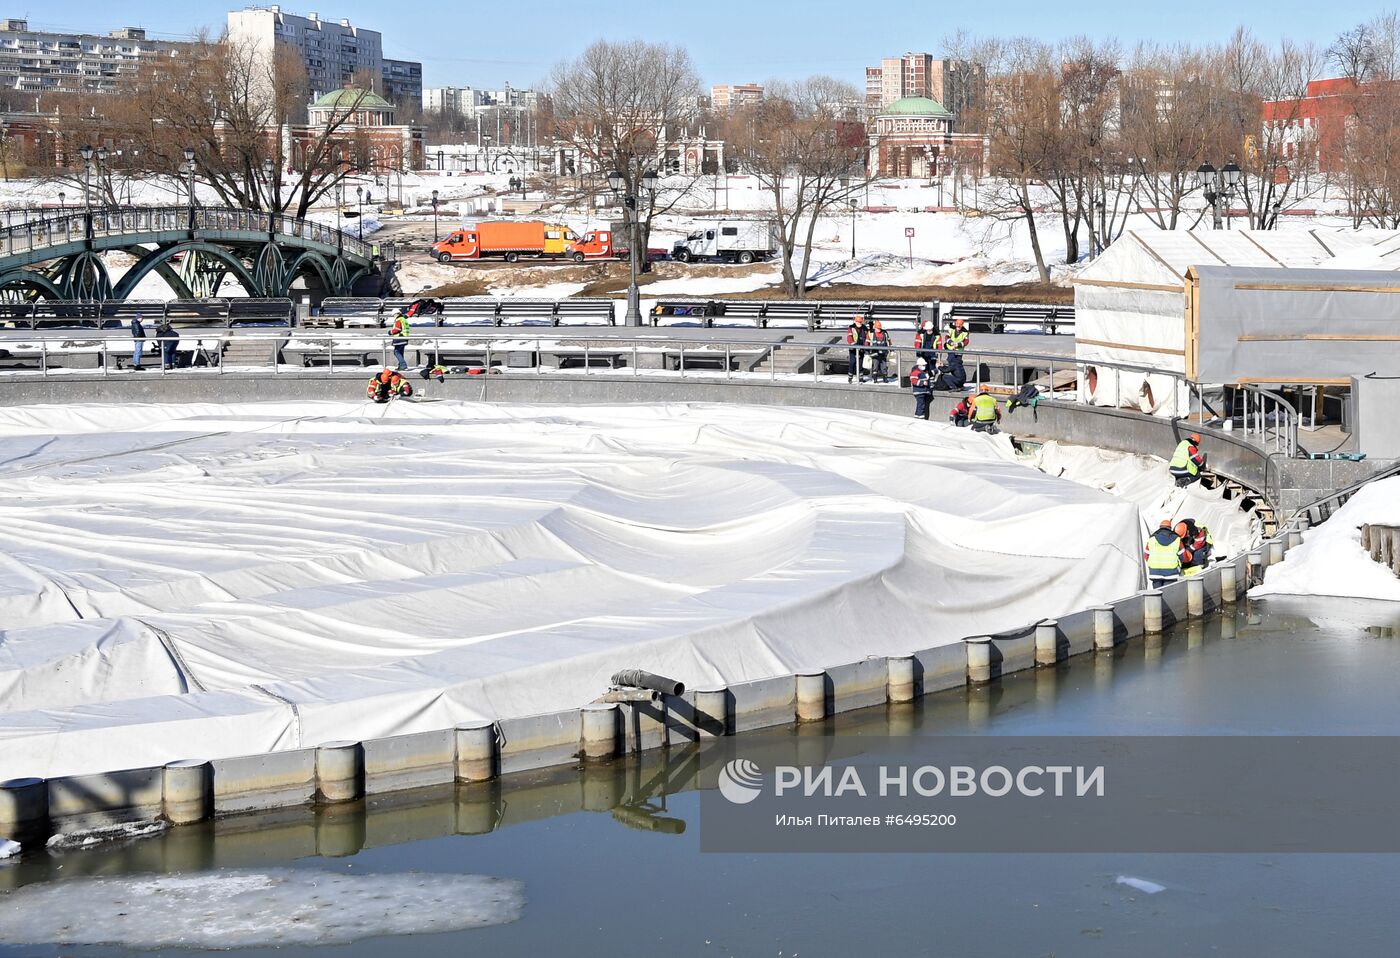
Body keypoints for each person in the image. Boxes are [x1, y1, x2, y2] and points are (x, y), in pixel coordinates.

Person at [1144, 519, 1185, 587]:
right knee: (1168, 594)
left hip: (1155, 573)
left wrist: (1152, 565)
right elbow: (1183, 556)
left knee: (1157, 594)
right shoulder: (1177, 539)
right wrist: (1179, 566)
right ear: (1170, 528)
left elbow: (1146, 555)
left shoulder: (1151, 539)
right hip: (1171, 573)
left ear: (1160, 527)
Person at [845, 315, 868, 384]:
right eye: (858, 322)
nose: (859, 324)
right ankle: (850, 377)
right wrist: (852, 343)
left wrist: (866, 345)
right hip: (853, 348)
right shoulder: (851, 327)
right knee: (852, 362)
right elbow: (849, 337)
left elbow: (867, 337)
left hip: (861, 348)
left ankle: (861, 378)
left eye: (860, 322)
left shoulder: (864, 328)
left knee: (860, 363)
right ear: (855, 321)